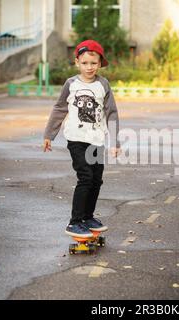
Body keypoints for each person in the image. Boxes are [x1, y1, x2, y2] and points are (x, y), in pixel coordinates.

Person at [43, 39, 121, 238]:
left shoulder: (103, 84)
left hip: (96, 139)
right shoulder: (71, 84)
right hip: (76, 139)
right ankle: (75, 221)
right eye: (85, 63)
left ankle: (87, 217)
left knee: (96, 180)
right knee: (85, 177)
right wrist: (49, 134)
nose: (89, 67)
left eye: (93, 63)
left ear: (100, 63)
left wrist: (115, 141)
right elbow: (60, 108)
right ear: (77, 61)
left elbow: (111, 113)